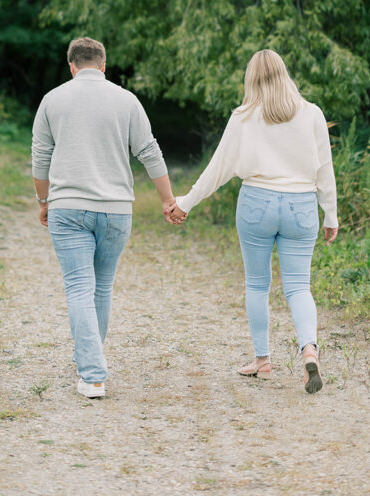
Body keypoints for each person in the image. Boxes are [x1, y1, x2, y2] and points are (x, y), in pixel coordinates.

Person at [167, 49, 338, 393]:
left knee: (257, 285)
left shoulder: (244, 116)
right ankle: (309, 350)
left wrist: (185, 202)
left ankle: (263, 360)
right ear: (285, 74)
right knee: (299, 286)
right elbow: (325, 170)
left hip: (257, 203)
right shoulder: (312, 114)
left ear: (251, 79)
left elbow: (218, 169)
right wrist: (330, 213)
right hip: (302, 205)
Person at [32, 36, 177, 399]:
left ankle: (93, 373)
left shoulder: (53, 99)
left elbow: (40, 157)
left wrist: (43, 200)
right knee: (101, 286)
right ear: (103, 65)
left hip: (67, 207)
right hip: (116, 211)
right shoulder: (127, 101)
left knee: (80, 287)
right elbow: (150, 152)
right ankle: (89, 360)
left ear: (71, 66)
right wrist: (167, 200)